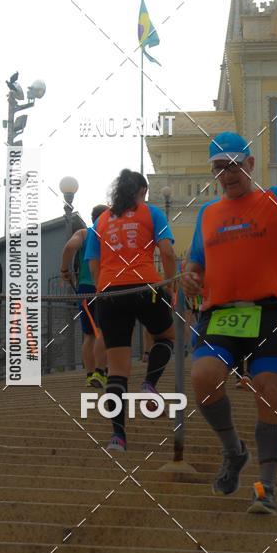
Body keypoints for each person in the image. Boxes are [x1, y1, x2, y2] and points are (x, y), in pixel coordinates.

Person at [183, 130, 277, 514]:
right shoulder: (207, 214)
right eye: (220, 168)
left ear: (250, 164)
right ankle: (234, 451)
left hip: (268, 311)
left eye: (234, 165)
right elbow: (195, 262)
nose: (228, 173)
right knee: (203, 377)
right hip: (219, 313)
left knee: (269, 389)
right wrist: (190, 275)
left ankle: (265, 485)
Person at [85, 170, 176, 452]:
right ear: (141, 191)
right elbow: (168, 252)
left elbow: (92, 261)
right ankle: (149, 384)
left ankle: (118, 438)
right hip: (145, 286)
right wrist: (171, 286)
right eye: (145, 193)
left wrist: (103, 287)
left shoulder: (100, 220)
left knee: (117, 370)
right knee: (166, 337)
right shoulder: (151, 214)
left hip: (110, 292)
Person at [60, 204, 108, 388]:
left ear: (92, 217)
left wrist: (65, 269)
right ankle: (101, 371)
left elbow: (69, 247)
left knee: (88, 335)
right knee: (104, 331)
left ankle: (89, 374)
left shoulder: (84, 233)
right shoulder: (111, 234)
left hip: (85, 288)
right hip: (106, 287)